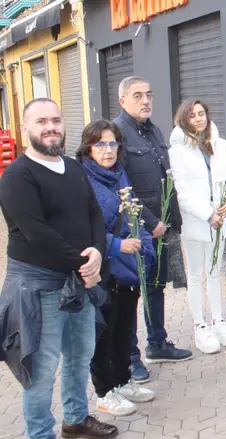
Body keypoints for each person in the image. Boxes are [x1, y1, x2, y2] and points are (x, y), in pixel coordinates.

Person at [0, 98, 118, 439]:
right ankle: (40, 434)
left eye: (55, 120)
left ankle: (76, 421)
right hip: (39, 286)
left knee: (81, 354)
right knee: (41, 367)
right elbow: (36, 233)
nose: (50, 127)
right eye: (41, 121)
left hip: (78, 279)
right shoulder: (16, 176)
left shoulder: (72, 166)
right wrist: (86, 265)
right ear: (26, 129)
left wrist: (97, 251)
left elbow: (94, 212)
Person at [77, 120, 157, 416]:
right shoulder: (81, 178)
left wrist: (145, 251)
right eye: (100, 144)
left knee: (125, 328)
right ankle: (104, 392)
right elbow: (81, 227)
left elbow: (135, 216)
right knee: (103, 332)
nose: (108, 150)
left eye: (112, 144)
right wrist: (116, 245)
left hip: (128, 269)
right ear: (89, 147)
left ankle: (123, 381)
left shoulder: (120, 173)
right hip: (103, 268)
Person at [114, 76, 191, 382]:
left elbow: (165, 178)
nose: (145, 100)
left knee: (156, 288)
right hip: (138, 229)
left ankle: (157, 343)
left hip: (164, 226)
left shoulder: (154, 130)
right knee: (133, 293)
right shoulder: (117, 132)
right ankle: (130, 357)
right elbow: (122, 186)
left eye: (148, 94)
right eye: (137, 96)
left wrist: (171, 220)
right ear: (122, 101)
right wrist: (149, 222)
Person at [168, 100, 226, 355]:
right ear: (184, 119)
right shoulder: (178, 151)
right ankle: (200, 325)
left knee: (215, 273)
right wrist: (207, 213)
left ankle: (218, 320)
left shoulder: (222, 146)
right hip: (197, 222)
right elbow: (181, 192)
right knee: (196, 275)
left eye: (202, 114)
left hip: (221, 219)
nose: (198, 119)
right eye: (192, 115)